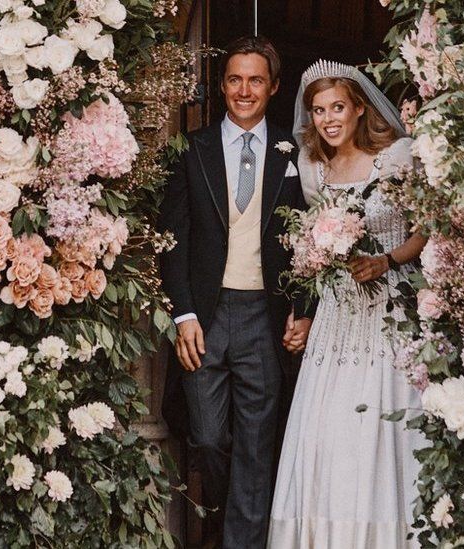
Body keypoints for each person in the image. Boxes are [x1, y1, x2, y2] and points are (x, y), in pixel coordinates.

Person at [158, 36, 315, 549]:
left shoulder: (298, 155)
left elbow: (315, 240)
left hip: (265, 317)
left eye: (254, 80)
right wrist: (183, 313)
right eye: (233, 79)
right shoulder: (192, 149)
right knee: (207, 436)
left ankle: (239, 542)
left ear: (272, 87)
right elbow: (173, 239)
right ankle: (231, 519)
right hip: (207, 312)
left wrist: (304, 309)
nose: (243, 90)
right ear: (221, 85)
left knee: (255, 445)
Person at [268, 60, 429, 548]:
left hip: (389, 312)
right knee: (329, 430)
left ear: (360, 108)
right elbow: (314, 252)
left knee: (379, 425)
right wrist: (308, 306)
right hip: (338, 315)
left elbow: (426, 228)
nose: (328, 119)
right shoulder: (315, 169)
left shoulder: (400, 156)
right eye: (319, 110)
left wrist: (386, 260)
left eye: (337, 107)